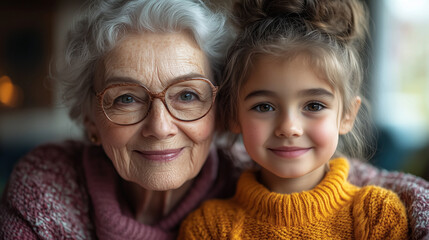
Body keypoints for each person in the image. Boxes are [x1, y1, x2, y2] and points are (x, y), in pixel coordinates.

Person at [0, 0, 428, 239]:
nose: (160, 126)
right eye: (126, 98)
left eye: (187, 95)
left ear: (222, 113)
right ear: (90, 117)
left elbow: (384, 189)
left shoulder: (259, 165)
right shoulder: (50, 185)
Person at [179, 0, 409, 239]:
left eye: (314, 105)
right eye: (264, 106)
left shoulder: (376, 215)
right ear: (234, 114)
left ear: (347, 115)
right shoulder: (210, 227)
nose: (289, 128)